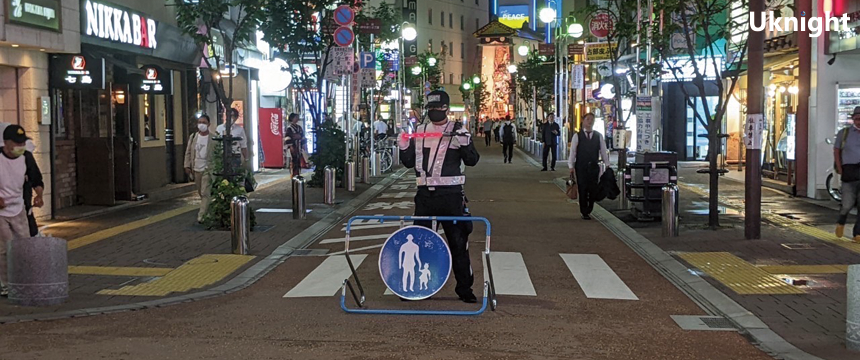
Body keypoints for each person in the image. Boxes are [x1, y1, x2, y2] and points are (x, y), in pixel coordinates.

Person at [399, 90, 480, 303]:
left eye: (438, 108)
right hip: (425, 197)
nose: (434, 112)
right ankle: (418, 288)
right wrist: (404, 147)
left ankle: (465, 289)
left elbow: (472, 160)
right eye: (431, 109)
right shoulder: (420, 130)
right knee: (422, 243)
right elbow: (409, 162)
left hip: (451, 197)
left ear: (446, 109)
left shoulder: (457, 131)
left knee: (458, 243)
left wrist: (465, 144)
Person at [0, 125, 43, 297]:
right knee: (5, 249)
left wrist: (39, 195)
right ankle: (5, 284)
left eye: (22, 142)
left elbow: (36, 179)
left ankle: (25, 281)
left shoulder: (26, 157)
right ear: (6, 142)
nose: (20, 146)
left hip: (19, 208)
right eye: (16, 143)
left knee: (24, 245)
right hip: (1, 213)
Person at [568, 113, 611, 220]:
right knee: (582, 188)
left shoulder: (598, 136)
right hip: (581, 166)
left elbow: (603, 151)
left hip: (593, 167)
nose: (590, 121)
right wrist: (571, 165)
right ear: (583, 121)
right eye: (587, 119)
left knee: (593, 188)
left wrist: (607, 164)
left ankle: (590, 208)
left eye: (592, 119)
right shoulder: (577, 136)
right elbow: (573, 152)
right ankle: (584, 211)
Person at [834, 106, 860, 243]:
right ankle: (841, 220)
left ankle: (858, 233)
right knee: (847, 203)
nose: (859, 121)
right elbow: (836, 150)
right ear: (853, 119)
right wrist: (839, 167)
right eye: (856, 119)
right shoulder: (844, 133)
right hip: (849, 172)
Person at [184, 115, 215, 224]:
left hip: (207, 169)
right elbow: (188, 151)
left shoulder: (213, 138)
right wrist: (187, 165)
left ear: (209, 124)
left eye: (204, 122)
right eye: (199, 122)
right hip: (196, 168)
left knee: (205, 192)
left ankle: (201, 216)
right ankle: (209, 211)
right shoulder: (193, 137)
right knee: (201, 193)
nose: (201, 124)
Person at [285, 113, 305, 178]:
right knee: (293, 160)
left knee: (298, 160)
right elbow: (287, 138)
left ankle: (297, 173)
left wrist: (303, 144)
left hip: (298, 147)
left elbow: (302, 136)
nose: (297, 119)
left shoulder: (299, 127)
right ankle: (293, 174)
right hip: (293, 147)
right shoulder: (289, 128)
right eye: (296, 117)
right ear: (292, 119)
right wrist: (291, 145)